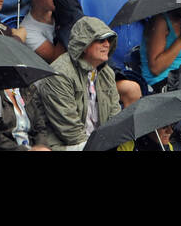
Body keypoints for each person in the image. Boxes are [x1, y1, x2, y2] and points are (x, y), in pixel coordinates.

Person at [27, 16, 119, 150]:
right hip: (62, 144)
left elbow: (115, 117)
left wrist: (111, 142)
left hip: (97, 143)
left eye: (109, 40)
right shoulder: (60, 74)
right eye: (101, 40)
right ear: (84, 45)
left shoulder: (107, 73)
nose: (107, 44)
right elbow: (69, 130)